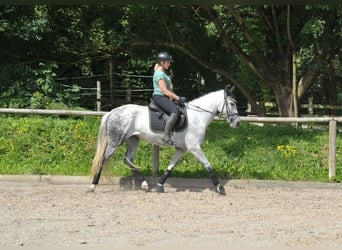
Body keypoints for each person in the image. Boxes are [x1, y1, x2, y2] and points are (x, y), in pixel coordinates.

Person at [152, 51, 186, 145]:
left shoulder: (163, 73)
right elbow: (164, 90)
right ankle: (165, 135)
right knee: (175, 112)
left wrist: (175, 98)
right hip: (159, 97)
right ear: (162, 62)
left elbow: (168, 91)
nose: (170, 64)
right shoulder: (159, 74)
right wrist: (178, 98)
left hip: (163, 97)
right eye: (168, 62)